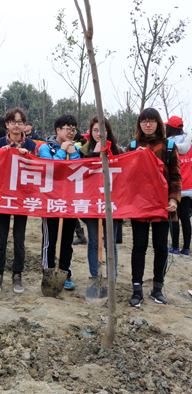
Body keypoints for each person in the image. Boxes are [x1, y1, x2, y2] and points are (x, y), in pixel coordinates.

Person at [126, 108, 181, 306]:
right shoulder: (132, 146)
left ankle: (157, 288)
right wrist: (136, 158)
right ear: (139, 124)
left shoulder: (168, 146)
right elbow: (126, 176)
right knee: (139, 247)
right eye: (144, 121)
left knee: (160, 247)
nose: (147, 125)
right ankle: (137, 289)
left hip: (163, 205)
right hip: (140, 206)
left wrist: (174, 200)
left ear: (159, 124)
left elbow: (176, 176)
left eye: (152, 121)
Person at [0, 108, 37, 294]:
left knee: (19, 239)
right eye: (13, 121)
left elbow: (39, 169)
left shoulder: (33, 145)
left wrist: (29, 157)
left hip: (22, 197)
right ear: (7, 124)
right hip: (3, 197)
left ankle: (17, 274)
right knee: (1, 239)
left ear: (25, 125)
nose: (16, 125)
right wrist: (0, 154)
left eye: (20, 122)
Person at [39, 114, 81, 291]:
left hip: (70, 202)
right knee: (51, 239)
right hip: (50, 201)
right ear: (58, 130)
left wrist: (73, 153)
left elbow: (81, 170)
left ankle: (65, 271)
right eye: (67, 129)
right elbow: (52, 168)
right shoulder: (45, 147)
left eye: (73, 129)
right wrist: (63, 151)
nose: (71, 133)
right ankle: (48, 271)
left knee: (67, 240)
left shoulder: (76, 149)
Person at [78, 116, 122, 280]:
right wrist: (95, 152)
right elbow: (82, 171)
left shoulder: (117, 150)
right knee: (94, 242)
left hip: (112, 203)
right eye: (95, 130)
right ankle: (95, 277)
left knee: (110, 244)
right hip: (91, 203)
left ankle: (112, 278)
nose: (99, 133)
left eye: (102, 130)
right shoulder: (83, 150)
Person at [165, 116, 191, 256]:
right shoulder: (190, 146)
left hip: (173, 187)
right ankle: (186, 248)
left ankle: (174, 247)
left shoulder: (168, 145)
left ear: (169, 128)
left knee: (174, 217)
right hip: (188, 188)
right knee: (186, 218)